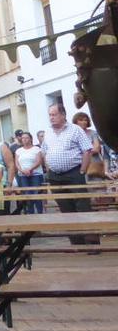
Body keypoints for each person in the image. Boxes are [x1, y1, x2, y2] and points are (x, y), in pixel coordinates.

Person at [41, 104, 97, 245]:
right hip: (55, 176)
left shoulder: (75, 130)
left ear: (63, 115)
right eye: (50, 115)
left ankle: (91, 244)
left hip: (74, 173)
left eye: (54, 114)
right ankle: (77, 243)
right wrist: (49, 168)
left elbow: (87, 150)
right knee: (65, 208)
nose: (51, 118)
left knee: (82, 207)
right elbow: (44, 151)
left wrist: (82, 170)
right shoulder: (48, 132)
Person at [14, 132, 45, 214]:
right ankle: (30, 213)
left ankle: (40, 213)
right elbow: (16, 163)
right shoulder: (18, 151)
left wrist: (30, 169)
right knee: (27, 194)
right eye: (23, 138)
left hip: (36, 174)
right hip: (23, 175)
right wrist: (22, 170)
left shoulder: (36, 149)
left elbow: (39, 161)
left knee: (36, 194)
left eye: (26, 137)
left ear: (31, 139)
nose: (24, 139)